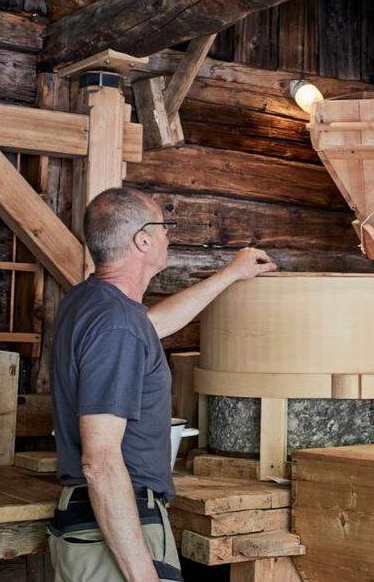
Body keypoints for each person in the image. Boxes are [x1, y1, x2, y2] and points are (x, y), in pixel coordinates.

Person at [48, 187, 276, 581]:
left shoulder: (90, 302)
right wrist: (142, 576)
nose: (169, 234)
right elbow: (99, 461)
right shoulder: (117, 324)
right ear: (142, 239)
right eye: (164, 225)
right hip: (118, 524)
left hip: (97, 518)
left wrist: (231, 274)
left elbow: (151, 328)